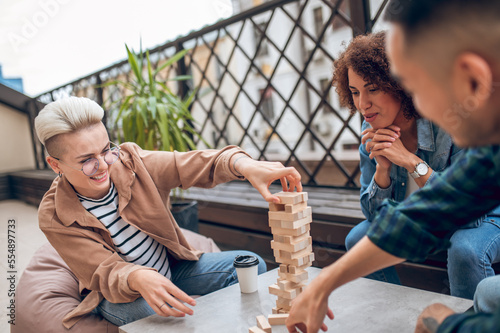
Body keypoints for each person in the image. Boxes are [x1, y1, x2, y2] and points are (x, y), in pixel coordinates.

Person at [285, 0, 500, 332]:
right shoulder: (489, 152)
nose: (417, 105)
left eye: (414, 86)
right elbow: (430, 213)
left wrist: (445, 324)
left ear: (472, 78)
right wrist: (324, 283)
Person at [34, 97, 302, 329]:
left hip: (174, 269)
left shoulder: (130, 161)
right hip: (122, 297)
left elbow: (189, 164)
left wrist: (242, 164)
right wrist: (138, 276)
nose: (103, 165)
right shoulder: (54, 215)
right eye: (87, 161)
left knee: (250, 266)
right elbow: (105, 271)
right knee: (166, 322)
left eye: (106, 150)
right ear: (55, 164)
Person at [334, 31, 500, 298]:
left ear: (400, 83)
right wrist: (383, 171)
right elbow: (374, 218)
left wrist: (411, 162)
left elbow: (468, 214)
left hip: (488, 215)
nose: (363, 104)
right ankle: (398, 319)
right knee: (357, 239)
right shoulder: (371, 129)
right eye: (354, 92)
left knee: (464, 249)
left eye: (372, 89)